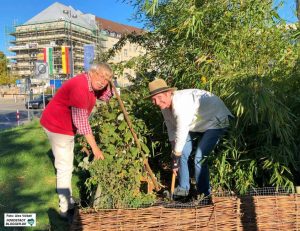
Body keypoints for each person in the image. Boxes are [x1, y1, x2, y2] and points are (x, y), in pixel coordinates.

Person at [40, 63, 114, 218]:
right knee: (64, 167)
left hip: (65, 126)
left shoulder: (92, 85)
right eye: (100, 75)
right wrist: (95, 148)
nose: (102, 81)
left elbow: (105, 96)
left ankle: (67, 202)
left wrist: (110, 86)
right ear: (91, 72)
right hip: (57, 127)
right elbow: (81, 122)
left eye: (106, 79)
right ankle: (65, 208)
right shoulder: (80, 87)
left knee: (66, 163)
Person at [147, 78, 233, 198]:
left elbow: (181, 130)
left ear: (168, 93)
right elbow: (172, 130)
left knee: (199, 157)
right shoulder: (165, 107)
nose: (156, 102)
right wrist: (174, 154)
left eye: (159, 98)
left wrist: (176, 157)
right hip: (197, 124)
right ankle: (183, 190)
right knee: (180, 152)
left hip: (216, 120)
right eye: (153, 99)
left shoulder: (180, 103)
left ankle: (204, 194)